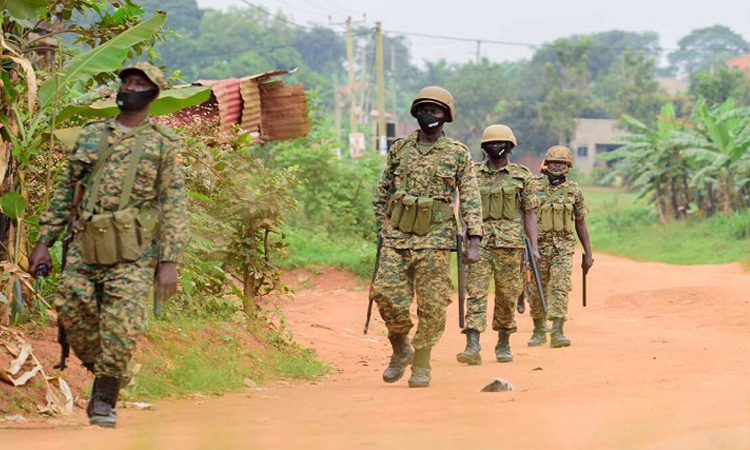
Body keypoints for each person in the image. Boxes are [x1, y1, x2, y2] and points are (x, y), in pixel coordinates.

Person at [29, 62, 188, 427]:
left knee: (122, 327)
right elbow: (65, 192)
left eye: (138, 83)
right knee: (72, 313)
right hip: (85, 246)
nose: (129, 87)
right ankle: (111, 370)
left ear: (152, 94)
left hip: (133, 253)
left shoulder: (162, 144)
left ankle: (104, 398)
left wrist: (169, 261)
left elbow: (173, 203)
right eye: (126, 81)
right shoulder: (91, 135)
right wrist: (43, 242)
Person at [371, 86, 482, 388]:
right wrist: (379, 223)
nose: (428, 116)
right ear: (415, 113)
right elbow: (384, 188)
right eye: (423, 110)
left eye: (434, 111)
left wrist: (474, 238)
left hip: (435, 238)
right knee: (385, 295)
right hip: (397, 234)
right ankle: (400, 348)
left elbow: (470, 196)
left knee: (432, 305)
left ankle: (422, 362)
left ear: (446, 116)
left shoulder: (458, 154)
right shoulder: (400, 148)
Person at [456, 124, 540, 365]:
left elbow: (529, 214)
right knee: (476, 292)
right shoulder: (472, 173)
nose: (496, 147)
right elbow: (465, 208)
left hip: (510, 244)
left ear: (510, 146)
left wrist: (533, 247)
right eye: (491, 144)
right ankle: (472, 343)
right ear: (484, 147)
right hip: (478, 241)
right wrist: (465, 234)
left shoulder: (522, 175)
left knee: (507, 294)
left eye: (501, 143)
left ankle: (504, 341)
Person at [526, 145, 593, 348]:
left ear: (568, 166)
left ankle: (557, 330)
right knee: (537, 289)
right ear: (546, 164)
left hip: (563, 248)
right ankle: (538, 330)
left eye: (561, 163)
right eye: (553, 162)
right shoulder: (532, 186)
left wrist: (588, 253)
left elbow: (580, 222)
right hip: (538, 248)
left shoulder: (574, 190)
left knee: (560, 285)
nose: (557, 166)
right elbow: (523, 217)